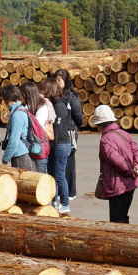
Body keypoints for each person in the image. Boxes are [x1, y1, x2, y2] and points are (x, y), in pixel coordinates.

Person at [93, 105, 138, 224]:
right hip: (131, 183)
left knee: (116, 219)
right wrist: (137, 167)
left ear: (100, 124)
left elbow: (115, 159)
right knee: (123, 215)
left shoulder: (105, 139)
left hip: (117, 185)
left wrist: (129, 170)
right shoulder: (124, 134)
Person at [49, 76, 78, 214]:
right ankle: (56, 200)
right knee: (55, 174)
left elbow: (58, 129)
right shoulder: (57, 104)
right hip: (59, 143)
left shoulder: (59, 106)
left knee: (60, 175)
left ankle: (65, 203)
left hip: (62, 144)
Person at [55, 69, 83, 201]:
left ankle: (70, 191)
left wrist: (73, 125)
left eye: (59, 80)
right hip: (58, 133)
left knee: (69, 161)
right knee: (60, 163)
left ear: (66, 81)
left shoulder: (71, 96)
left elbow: (78, 116)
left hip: (70, 132)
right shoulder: (55, 94)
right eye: (55, 80)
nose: (57, 83)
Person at [0, 84, 35, 170]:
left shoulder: (17, 115)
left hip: (20, 157)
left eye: (3, 99)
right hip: (21, 155)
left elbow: (14, 141)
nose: (2, 103)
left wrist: (5, 159)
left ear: (8, 99)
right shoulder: (20, 109)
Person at [21, 82, 52, 173]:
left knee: (40, 178)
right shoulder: (28, 106)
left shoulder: (42, 107)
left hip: (39, 148)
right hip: (32, 148)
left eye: (22, 94)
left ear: (27, 94)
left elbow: (37, 127)